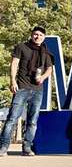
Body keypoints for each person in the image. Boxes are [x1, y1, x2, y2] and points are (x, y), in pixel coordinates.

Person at [0, 26, 53, 157]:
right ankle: (3, 147)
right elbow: (14, 64)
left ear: (44, 37)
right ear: (31, 35)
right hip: (22, 87)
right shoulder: (22, 47)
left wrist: (43, 77)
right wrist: (12, 81)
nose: (38, 37)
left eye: (40, 35)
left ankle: (27, 148)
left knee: (32, 121)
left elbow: (49, 69)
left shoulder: (45, 52)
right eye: (35, 34)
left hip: (37, 90)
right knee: (12, 118)